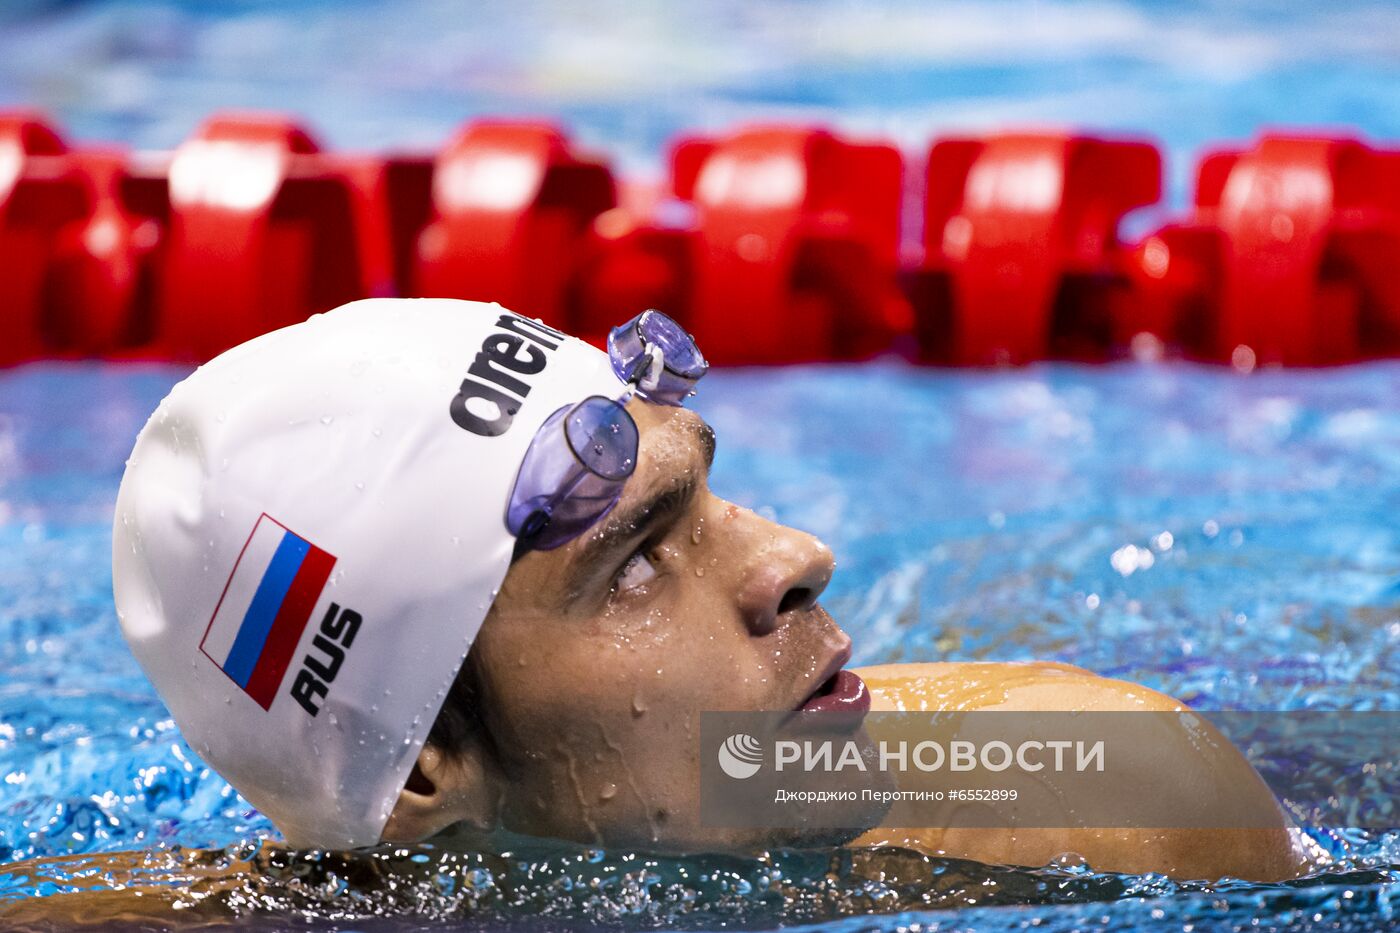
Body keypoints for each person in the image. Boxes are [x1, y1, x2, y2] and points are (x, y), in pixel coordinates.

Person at [110, 298, 1310, 883]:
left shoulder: (1110, 815)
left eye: (710, 498)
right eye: (629, 563)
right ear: (422, 766)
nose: (794, 558)